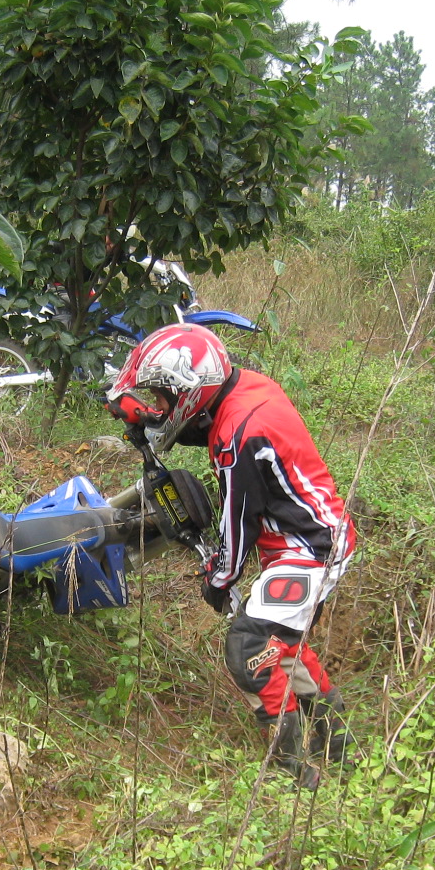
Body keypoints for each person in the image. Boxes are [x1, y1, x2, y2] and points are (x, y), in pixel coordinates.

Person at [107, 323, 358, 787]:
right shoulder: (244, 389)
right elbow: (205, 425)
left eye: (162, 396)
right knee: (278, 644)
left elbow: (237, 520)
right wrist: (146, 415)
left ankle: (291, 774)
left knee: (249, 648)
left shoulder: (240, 436)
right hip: (310, 536)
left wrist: (219, 578)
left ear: (187, 389)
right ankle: (340, 749)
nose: (160, 404)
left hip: (310, 550)